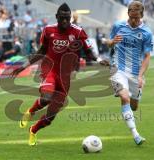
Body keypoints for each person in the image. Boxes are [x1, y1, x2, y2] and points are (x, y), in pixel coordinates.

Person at [11, 3, 109, 146]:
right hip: (49, 69)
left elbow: (89, 52)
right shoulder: (48, 30)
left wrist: (100, 60)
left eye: (67, 18)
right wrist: (23, 66)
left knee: (51, 115)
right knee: (46, 97)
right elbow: (41, 51)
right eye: (62, 18)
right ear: (56, 17)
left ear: (70, 18)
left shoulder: (78, 32)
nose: (64, 21)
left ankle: (33, 130)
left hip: (65, 76)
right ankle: (31, 111)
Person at [102, 1, 153, 145]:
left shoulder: (146, 33)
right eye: (131, 17)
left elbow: (147, 56)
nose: (133, 21)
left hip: (135, 73)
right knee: (124, 97)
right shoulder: (118, 26)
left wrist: (141, 75)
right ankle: (136, 135)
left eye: (136, 18)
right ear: (128, 14)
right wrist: (111, 42)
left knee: (134, 106)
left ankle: (132, 104)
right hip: (117, 69)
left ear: (141, 16)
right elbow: (108, 42)